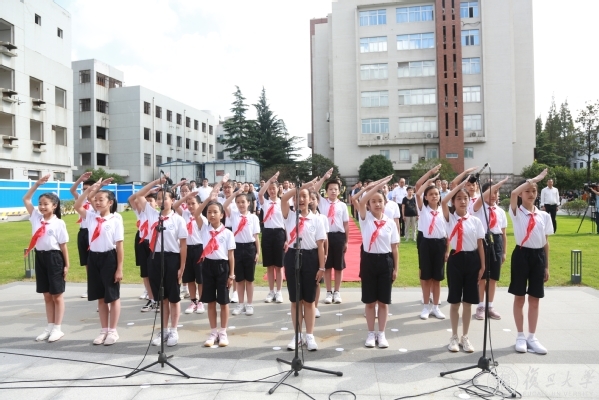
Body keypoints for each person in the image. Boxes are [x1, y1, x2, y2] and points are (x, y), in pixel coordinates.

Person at [135, 177, 188, 347]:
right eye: (158, 198)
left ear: (172, 201)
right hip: (155, 258)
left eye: (165, 198)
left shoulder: (178, 219)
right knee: (162, 298)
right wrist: (156, 182)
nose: (161, 201)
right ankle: (164, 330)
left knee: (173, 297)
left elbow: (183, 245)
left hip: (172, 258)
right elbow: (139, 195)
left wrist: (182, 267)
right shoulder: (152, 214)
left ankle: (174, 329)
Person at [509, 169, 553, 354]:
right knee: (520, 297)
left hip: (538, 257)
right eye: (527, 191)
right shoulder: (516, 212)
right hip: (521, 255)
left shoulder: (544, 216)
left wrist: (546, 266)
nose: (531, 194)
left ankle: (532, 337)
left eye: (534, 190)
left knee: (535, 298)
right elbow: (513, 193)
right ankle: (520, 335)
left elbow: (545, 242)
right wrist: (535, 179)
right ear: (522, 193)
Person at [75, 180, 124, 345]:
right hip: (93, 257)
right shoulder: (91, 217)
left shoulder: (115, 219)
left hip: (109, 258)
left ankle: (113, 331)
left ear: (110, 202)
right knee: (101, 297)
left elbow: (119, 245)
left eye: (101, 199)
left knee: (113, 296)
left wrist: (119, 268)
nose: (97, 202)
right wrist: (92, 189)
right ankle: (103, 330)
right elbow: (77, 205)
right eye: (95, 199)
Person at [281, 179, 326, 351]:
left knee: (309, 300)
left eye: (304, 197)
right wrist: (300, 188)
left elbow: (320, 246)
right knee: (296, 300)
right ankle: (297, 334)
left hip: (311, 257)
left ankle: (310, 335)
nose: (300, 200)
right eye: (298, 197)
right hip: (293, 256)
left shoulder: (317, 220)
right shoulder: (290, 216)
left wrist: (321, 267)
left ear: (310, 200)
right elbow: (284, 198)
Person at [23, 175, 69, 343]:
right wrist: (36, 184)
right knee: (47, 295)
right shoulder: (36, 217)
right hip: (40, 257)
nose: (42, 207)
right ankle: (49, 327)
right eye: (40, 203)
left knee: (57, 295)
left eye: (46, 204)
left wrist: (66, 265)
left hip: (54, 258)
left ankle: (58, 328)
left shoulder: (59, 223)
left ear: (54, 206)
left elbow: (63, 245)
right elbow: (26, 199)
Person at [441, 178, 485, 353]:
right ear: (454, 201)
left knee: (468, 302)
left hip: (472, 260)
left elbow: (480, 245)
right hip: (456, 259)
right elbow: (443, 201)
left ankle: (465, 337)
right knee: (455, 301)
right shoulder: (450, 219)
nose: (462, 201)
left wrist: (482, 266)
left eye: (465, 198)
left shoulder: (475, 221)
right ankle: (453, 336)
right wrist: (459, 186)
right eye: (458, 198)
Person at [357, 176, 399, 349]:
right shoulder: (365, 218)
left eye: (380, 201)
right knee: (370, 301)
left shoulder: (390, 223)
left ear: (385, 203)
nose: (377, 204)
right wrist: (376, 186)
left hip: (385, 261)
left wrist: (395, 268)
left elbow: (395, 248)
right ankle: (370, 333)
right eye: (373, 201)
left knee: (383, 301)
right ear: (368, 204)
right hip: (369, 260)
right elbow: (359, 200)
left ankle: (381, 333)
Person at [195, 192, 236, 347]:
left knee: (223, 302)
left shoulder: (228, 233)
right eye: (209, 212)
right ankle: (213, 332)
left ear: (222, 215)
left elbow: (231, 256)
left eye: (215, 212)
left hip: (222, 268)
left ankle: (223, 332)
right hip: (207, 266)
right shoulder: (204, 229)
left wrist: (231, 275)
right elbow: (196, 213)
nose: (211, 215)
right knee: (210, 301)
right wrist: (208, 199)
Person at [471, 178, 509, 320]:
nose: (493, 195)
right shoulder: (478, 208)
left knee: (493, 277)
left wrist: (504, 251)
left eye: (496, 192)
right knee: (482, 277)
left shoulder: (500, 211)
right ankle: (481, 306)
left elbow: (503, 234)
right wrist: (497, 184)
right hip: (482, 242)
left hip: (496, 242)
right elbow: (478, 202)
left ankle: (490, 305)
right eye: (490, 192)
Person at [415, 165, 446, 320]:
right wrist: (430, 176)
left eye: (436, 194)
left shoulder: (444, 210)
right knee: (426, 277)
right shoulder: (423, 209)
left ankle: (436, 307)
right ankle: (426, 306)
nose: (434, 196)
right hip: (426, 244)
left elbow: (447, 233)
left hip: (440, 244)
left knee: (437, 278)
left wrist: (447, 250)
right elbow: (417, 191)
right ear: (426, 197)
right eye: (431, 194)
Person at [314, 169, 349, 305]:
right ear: (326, 191)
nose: (333, 191)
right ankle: (328, 292)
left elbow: (346, 224)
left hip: (339, 236)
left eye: (335, 189)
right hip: (325, 237)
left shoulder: (342, 206)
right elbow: (314, 190)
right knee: (327, 265)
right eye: (330, 189)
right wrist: (324, 178)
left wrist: (346, 241)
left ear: (339, 191)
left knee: (339, 266)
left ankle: (337, 291)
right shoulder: (322, 202)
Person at [223, 191, 260, 316]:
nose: (241, 205)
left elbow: (256, 236)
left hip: (250, 248)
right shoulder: (234, 215)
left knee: (249, 279)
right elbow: (225, 205)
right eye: (238, 202)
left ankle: (249, 304)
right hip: (237, 248)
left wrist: (258, 252)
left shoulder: (253, 218)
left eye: (243, 202)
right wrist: (234, 195)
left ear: (249, 203)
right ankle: (240, 303)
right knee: (239, 279)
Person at [174, 190, 207, 315]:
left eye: (193, 203)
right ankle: (193, 300)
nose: (191, 206)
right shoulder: (185, 215)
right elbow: (175, 205)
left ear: (199, 204)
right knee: (189, 277)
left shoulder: (202, 218)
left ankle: (201, 301)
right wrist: (186, 197)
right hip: (187, 248)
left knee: (200, 278)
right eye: (188, 204)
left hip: (199, 248)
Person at [259, 172, 287, 304]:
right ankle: (271, 291)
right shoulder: (265, 203)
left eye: (273, 188)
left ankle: (279, 291)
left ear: (278, 189)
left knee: (279, 265)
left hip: (280, 234)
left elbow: (286, 222)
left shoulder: (283, 203)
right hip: (267, 233)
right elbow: (260, 194)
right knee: (269, 266)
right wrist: (270, 180)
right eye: (269, 189)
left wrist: (287, 239)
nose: (271, 191)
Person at [129, 189, 159, 312]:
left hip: (155, 245)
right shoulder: (140, 213)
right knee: (145, 273)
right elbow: (132, 199)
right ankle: (151, 299)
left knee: (156, 272)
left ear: (157, 203)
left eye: (151, 200)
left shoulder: (158, 215)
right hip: (142, 243)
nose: (148, 203)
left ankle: (159, 298)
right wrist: (148, 191)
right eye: (146, 200)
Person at [70, 173, 96, 299]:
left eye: (89, 189)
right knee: (86, 262)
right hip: (83, 232)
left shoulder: (97, 202)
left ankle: (98, 286)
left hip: (94, 233)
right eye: (84, 189)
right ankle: (90, 287)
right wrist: (80, 179)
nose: (86, 191)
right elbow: (72, 190)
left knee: (94, 260)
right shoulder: (81, 200)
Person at [308, 191, 328, 318]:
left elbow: (325, 238)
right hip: (307, 251)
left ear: (318, 201)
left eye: (313, 199)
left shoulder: (322, 218)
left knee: (317, 281)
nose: (311, 201)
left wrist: (326, 253)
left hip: (318, 251)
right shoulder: (300, 216)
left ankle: (315, 307)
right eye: (309, 199)